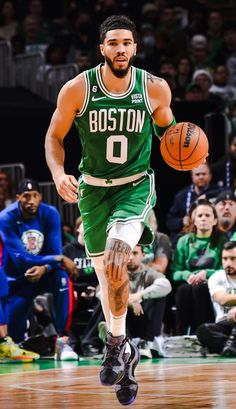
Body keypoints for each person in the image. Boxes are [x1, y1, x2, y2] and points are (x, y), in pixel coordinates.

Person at [44, 14, 176, 406]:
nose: (121, 49)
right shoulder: (78, 89)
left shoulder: (154, 88)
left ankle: (115, 342)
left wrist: (184, 144)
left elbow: (171, 136)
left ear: (136, 47)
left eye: (127, 42)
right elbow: (54, 136)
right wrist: (57, 173)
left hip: (134, 187)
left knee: (120, 260)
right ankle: (126, 351)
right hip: (93, 191)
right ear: (102, 48)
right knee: (108, 279)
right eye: (113, 42)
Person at [0, 178, 79, 361]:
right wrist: (58, 259)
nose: (31, 201)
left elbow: (55, 250)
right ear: (18, 198)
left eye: (35, 196)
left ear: (40, 196)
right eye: (26, 196)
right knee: (14, 337)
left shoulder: (50, 213)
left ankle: (63, 340)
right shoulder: (6, 218)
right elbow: (20, 259)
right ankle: (21, 339)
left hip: (42, 274)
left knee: (61, 277)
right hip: (17, 280)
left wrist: (45, 266)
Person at [171, 199, 227, 335]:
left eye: (208, 216)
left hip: (210, 284)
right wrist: (187, 275)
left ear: (214, 221)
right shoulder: (183, 241)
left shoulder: (222, 240)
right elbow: (175, 272)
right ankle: (181, 336)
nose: (203, 219)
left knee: (200, 289)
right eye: (200, 216)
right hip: (188, 284)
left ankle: (203, 334)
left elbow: (225, 269)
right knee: (183, 291)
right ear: (193, 220)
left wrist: (206, 273)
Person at [126, 244, 172, 358]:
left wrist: (140, 295)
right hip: (124, 321)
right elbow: (101, 292)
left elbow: (166, 285)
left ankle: (146, 342)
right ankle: (122, 343)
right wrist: (129, 302)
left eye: (135, 253)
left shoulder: (149, 273)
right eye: (127, 254)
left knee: (158, 294)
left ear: (143, 255)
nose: (130, 257)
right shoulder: (115, 273)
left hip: (145, 320)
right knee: (107, 300)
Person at [166, 162, 223, 247]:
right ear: (192, 177)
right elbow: (170, 221)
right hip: (188, 237)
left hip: (212, 236)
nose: (201, 177)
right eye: (197, 174)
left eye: (204, 174)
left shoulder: (219, 192)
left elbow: (228, 193)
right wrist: (182, 221)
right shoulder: (181, 195)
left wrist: (207, 196)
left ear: (210, 175)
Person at [197, 241, 236, 356]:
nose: (228, 263)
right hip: (224, 324)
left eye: (233, 258)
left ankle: (230, 347)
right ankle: (231, 346)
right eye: (225, 259)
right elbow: (222, 299)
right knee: (204, 330)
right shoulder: (216, 277)